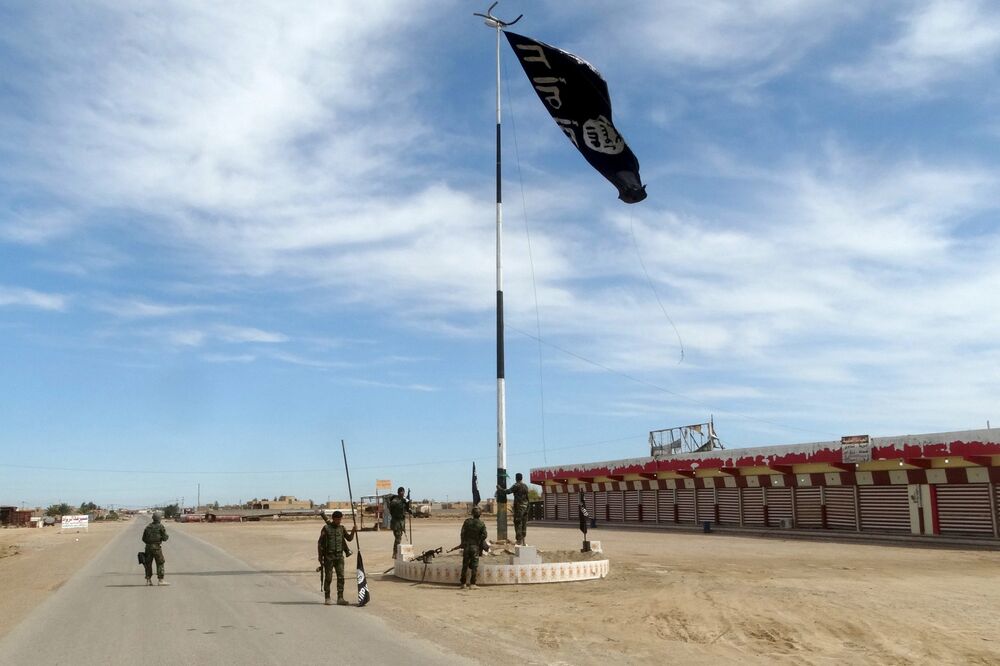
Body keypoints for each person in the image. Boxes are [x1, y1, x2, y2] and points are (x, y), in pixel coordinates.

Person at [317, 510, 356, 606]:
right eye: (337, 519)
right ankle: (327, 597)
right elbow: (320, 544)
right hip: (329, 557)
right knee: (329, 578)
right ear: (333, 519)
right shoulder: (326, 528)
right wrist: (320, 557)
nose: (339, 521)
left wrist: (353, 531)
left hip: (339, 557)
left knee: (341, 577)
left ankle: (340, 598)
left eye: (340, 519)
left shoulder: (342, 529)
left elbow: (349, 539)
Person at [459, 506, 488, 590]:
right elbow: (484, 535)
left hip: (467, 546)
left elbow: (462, 533)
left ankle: (463, 583)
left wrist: (463, 542)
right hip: (475, 547)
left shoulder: (467, 522)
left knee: (465, 565)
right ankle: (473, 584)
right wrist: (479, 540)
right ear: (480, 514)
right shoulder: (481, 524)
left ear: (472, 513)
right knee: (474, 566)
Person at [499, 472, 531, 546]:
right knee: (524, 523)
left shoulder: (516, 485)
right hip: (526, 507)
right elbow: (527, 497)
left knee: (517, 523)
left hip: (519, 508)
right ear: (522, 478)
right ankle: (523, 540)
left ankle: (519, 540)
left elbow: (508, 491)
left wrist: (500, 489)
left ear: (516, 478)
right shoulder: (525, 486)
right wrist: (528, 507)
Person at [142, 511, 170, 586]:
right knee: (160, 562)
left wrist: (149, 544)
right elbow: (165, 538)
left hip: (148, 548)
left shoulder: (148, 527)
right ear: (159, 519)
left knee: (148, 564)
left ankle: (148, 580)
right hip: (157, 548)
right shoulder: (160, 526)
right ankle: (160, 580)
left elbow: (143, 538)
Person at [387, 486, 411, 559]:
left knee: (399, 537)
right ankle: (395, 553)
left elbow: (406, 508)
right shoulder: (395, 500)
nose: (402, 493)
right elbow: (393, 505)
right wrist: (402, 501)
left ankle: (396, 553)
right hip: (396, 522)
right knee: (398, 538)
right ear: (398, 492)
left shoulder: (403, 500)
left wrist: (408, 507)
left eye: (403, 492)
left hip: (401, 522)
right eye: (401, 492)